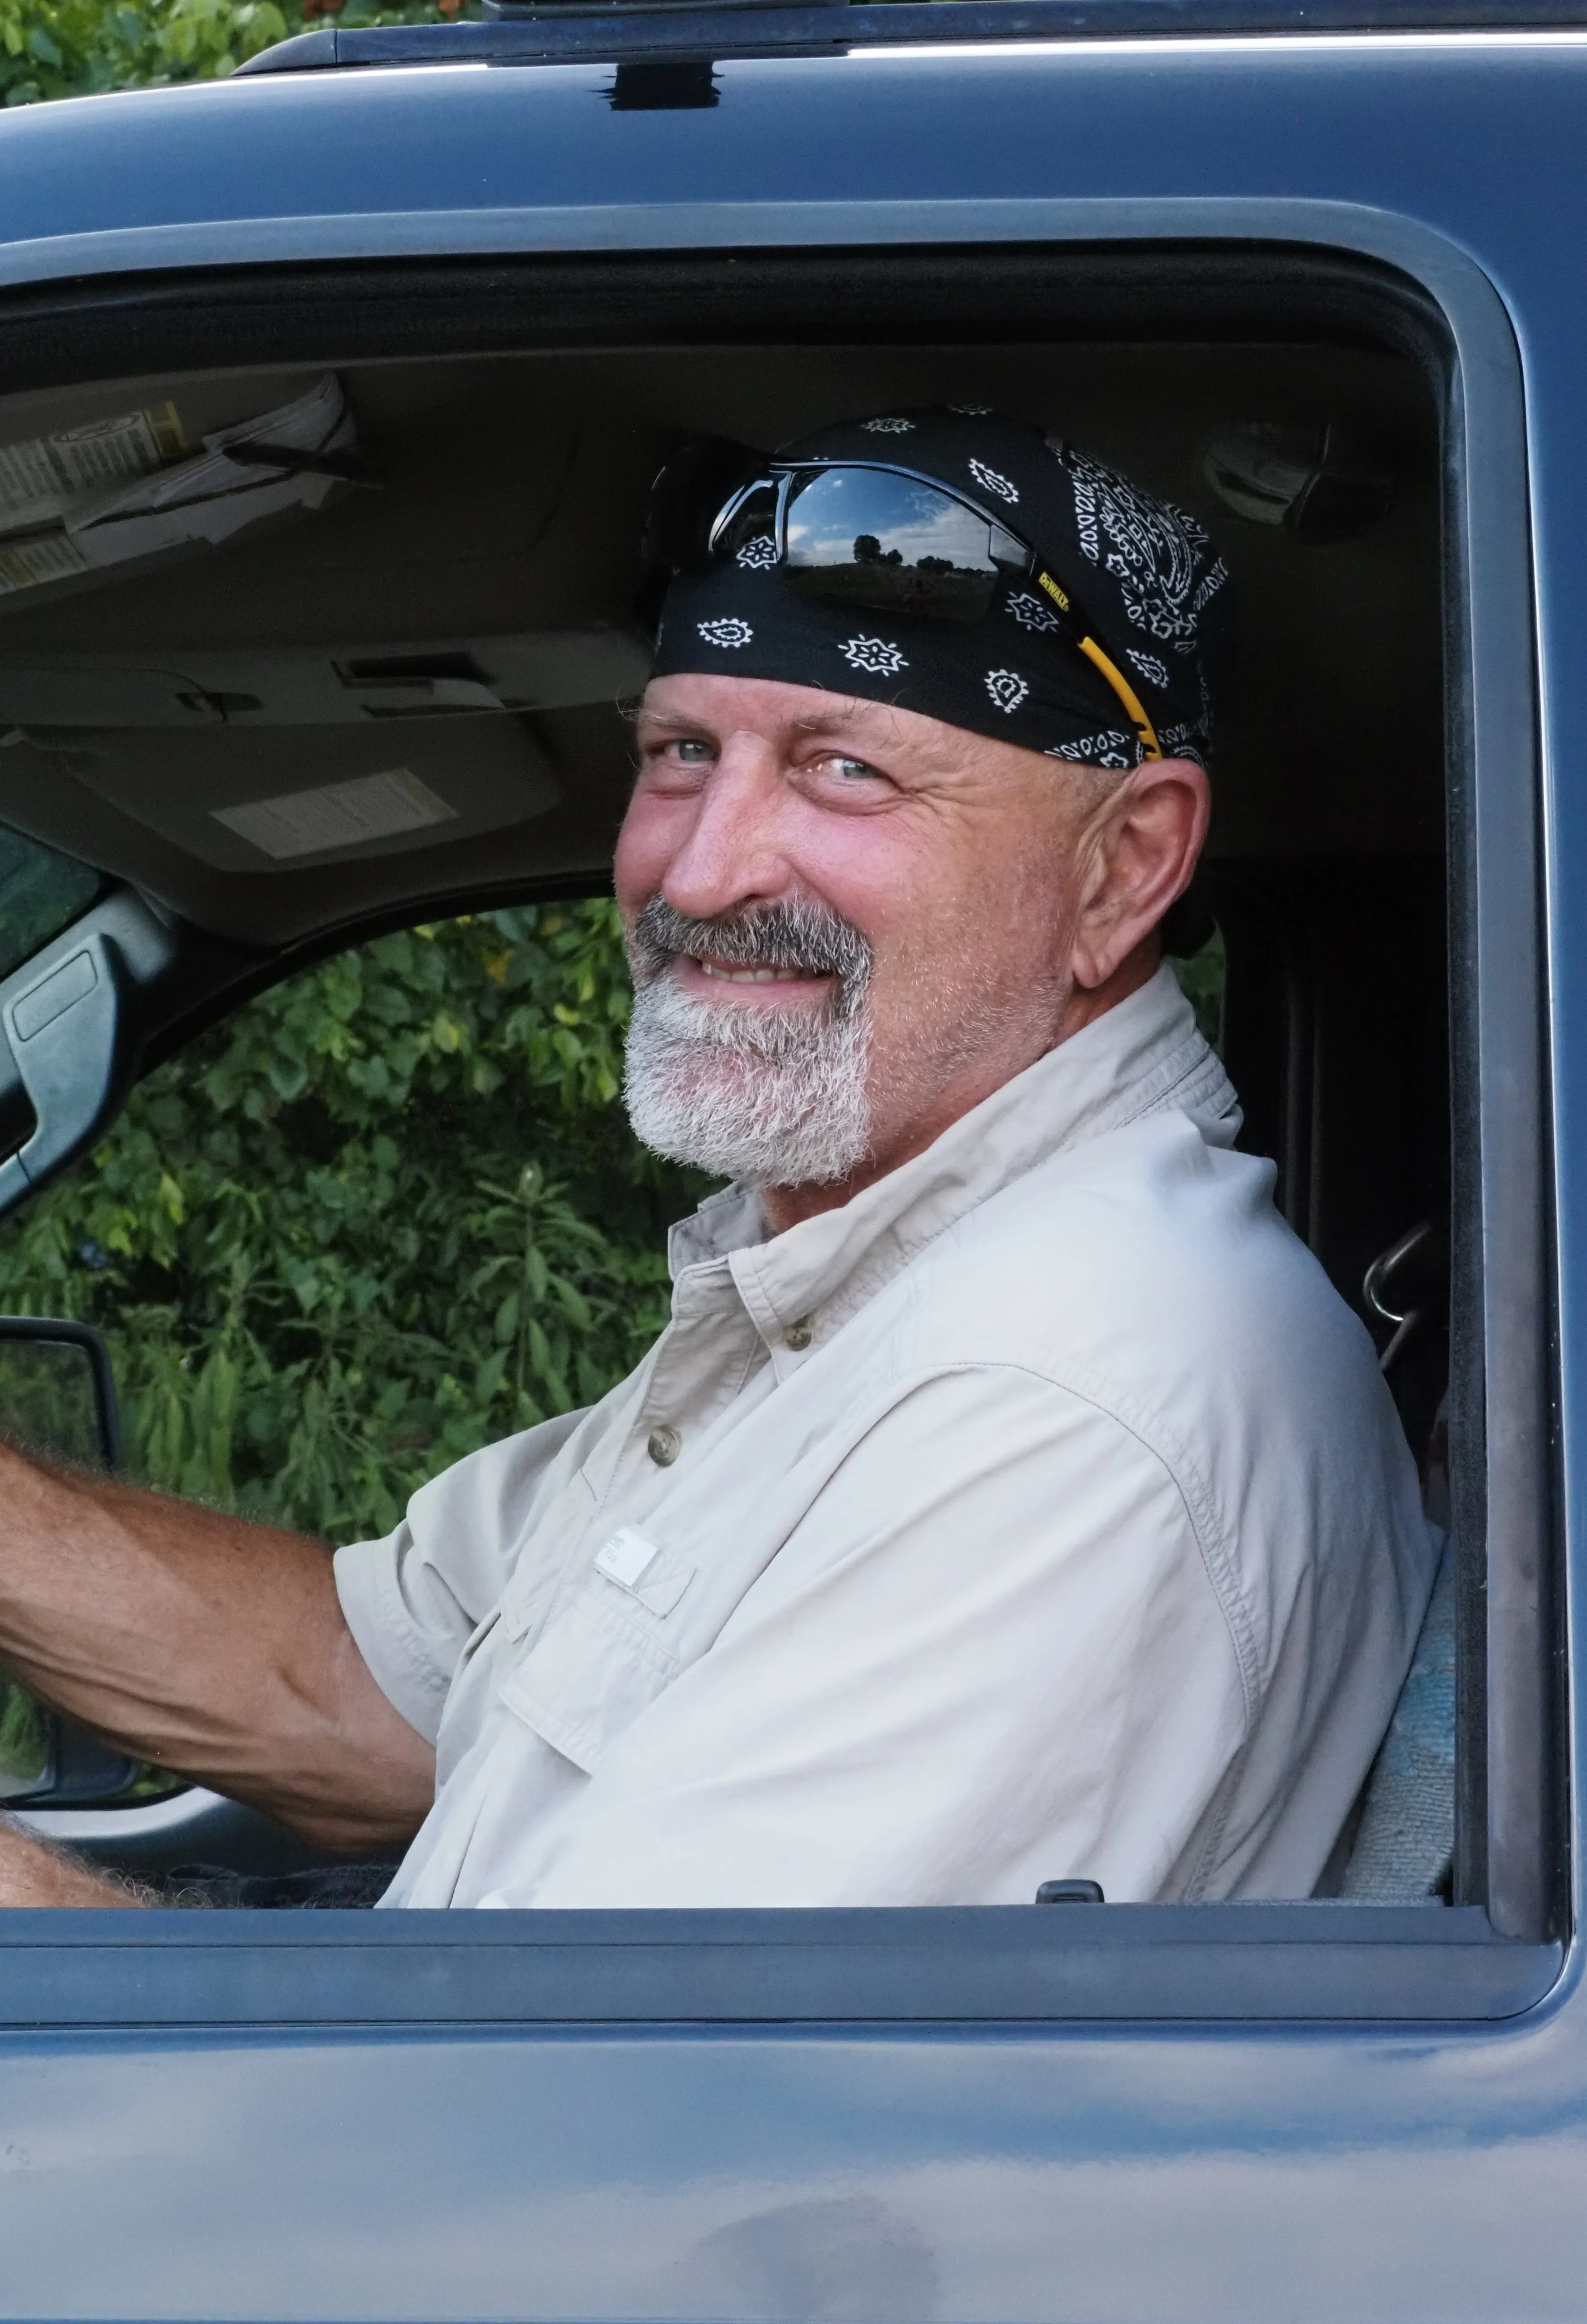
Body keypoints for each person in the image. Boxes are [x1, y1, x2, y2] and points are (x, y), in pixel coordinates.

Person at [0, 410, 1436, 1909]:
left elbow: (576, 2117)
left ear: (1124, 864)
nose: (698, 871)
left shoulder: (1067, 1391)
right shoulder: (878, 1282)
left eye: (846, 772)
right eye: (684, 753)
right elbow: (369, 1688)